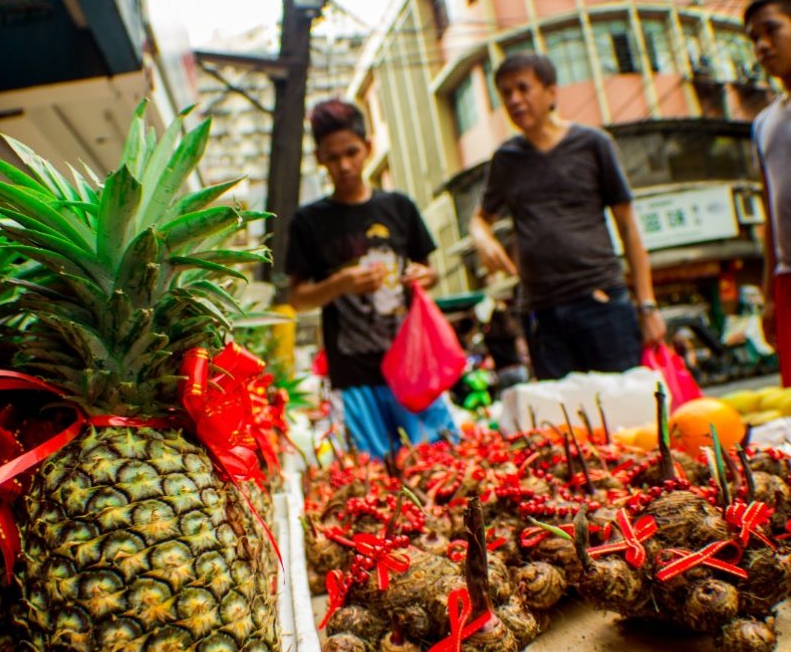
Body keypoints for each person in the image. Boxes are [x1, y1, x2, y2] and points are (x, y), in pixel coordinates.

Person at [469, 54, 666, 380]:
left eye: (523, 88)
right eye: (506, 93)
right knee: (565, 424)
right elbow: (480, 219)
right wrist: (482, 239)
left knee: (626, 418)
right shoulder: (506, 160)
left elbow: (629, 227)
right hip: (542, 315)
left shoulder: (593, 144)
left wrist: (647, 305)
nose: (515, 100)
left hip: (601, 300)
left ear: (550, 92)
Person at [285, 98, 457, 458]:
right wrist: (340, 284)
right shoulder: (307, 221)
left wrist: (423, 275)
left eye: (351, 152)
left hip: (413, 366)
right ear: (320, 158)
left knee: (440, 464)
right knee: (376, 476)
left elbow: (430, 272)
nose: (344, 165)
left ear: (368, 147)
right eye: (333, 157)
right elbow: (297, 298)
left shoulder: (400, 207)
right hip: (354, 376)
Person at [745, 0, 791, 387]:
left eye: (770, 31)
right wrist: (769, 296)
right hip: (786, 276)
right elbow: (770, 213)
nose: (761, 45)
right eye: (753, 39)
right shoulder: (764, 124)